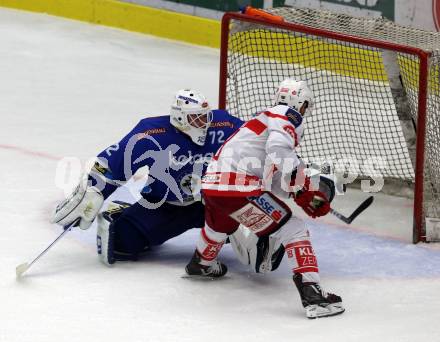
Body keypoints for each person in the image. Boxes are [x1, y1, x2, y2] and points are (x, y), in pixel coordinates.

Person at [184, 79, 345, 319]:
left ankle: (201, 264)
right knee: (294, 229)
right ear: (299, 103)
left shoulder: (261, 120)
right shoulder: (287, 117)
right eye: (305, 106)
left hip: (212, 187)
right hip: (239, 189)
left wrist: (299, 192)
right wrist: (303, 189)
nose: (305, 112)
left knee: (220, 224)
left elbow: (270, 174)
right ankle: (314, 297)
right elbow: (280, 150)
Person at [51, 89, 243, 265]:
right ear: (180, 118)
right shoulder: (152, 132)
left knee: (257, 232)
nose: (204, 123)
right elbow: (113, 163)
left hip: (212, 203)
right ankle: (123, 214)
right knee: (122, 243)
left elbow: (254, 138)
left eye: (205, 117)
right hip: (166, 205)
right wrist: (94, 190)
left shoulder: (224, 124)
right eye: (196, 118)